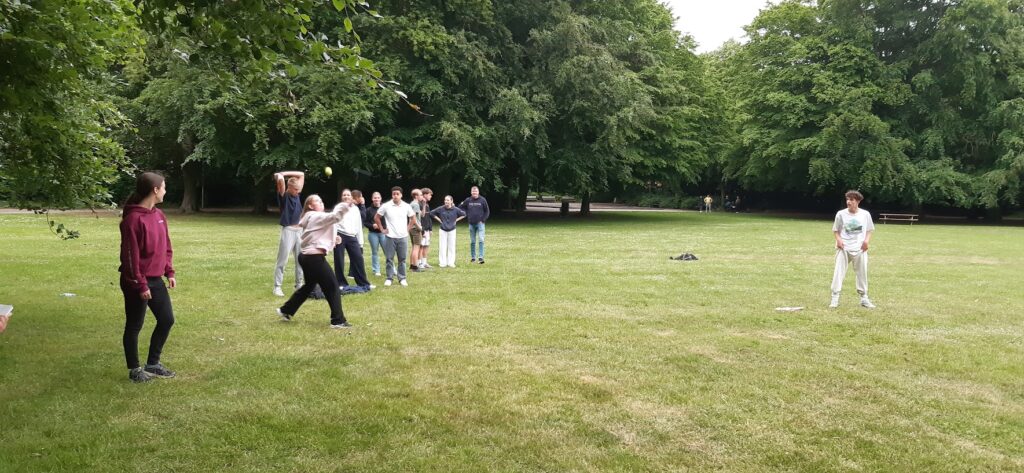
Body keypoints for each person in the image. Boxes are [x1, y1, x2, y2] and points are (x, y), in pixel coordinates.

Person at [119, 172, 177, 383]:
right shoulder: (132, 220)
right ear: (155, 190)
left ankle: (153, 364)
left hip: (155, 279)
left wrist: (169, 271)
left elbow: (165, 246)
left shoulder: (159, 215)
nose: (165, 191)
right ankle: (135, 370)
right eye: (164, 187)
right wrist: (141, 285)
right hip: (135, 281)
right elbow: (130, 257)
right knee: (135, 324)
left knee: (167, 319)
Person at [277, 195, 354, 328]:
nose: (321, 202)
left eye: (321, 200)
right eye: (318, 201)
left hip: (306, 257)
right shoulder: (315, 216)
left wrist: (334, 239)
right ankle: (338, 321)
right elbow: (335, 217)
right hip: (314, 258)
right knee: (332, 287)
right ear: (310, 206)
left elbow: (316, 233)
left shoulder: (310, 217)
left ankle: (286, 310)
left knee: (309, 286)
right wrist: (345, 205)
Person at [830, 190, 876, 309]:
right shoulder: (841, 214)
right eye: (847, 199)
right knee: (838, 272)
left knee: (862, 273)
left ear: (858, 201)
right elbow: (836, 230)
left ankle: (864, 298)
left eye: (851, 200)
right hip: (844, 248)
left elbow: (869, 230)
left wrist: (866, 241)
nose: (848, 202)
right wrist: (839, 240)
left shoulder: (865, 214)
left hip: (860, 249)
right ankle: (835, 298)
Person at [333, 189, 373, 294]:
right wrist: (334, 237)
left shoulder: (355, 209)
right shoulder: (338, 207)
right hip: (340, 235)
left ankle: (363, 283)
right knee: (339, 260)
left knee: (358, 259)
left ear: (351, 197)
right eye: (344, 195)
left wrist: (360, 242)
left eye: (348, 195)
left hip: (352, 236)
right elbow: (333, 222)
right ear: (342, 197)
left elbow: (359, 225)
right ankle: (341, 283)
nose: (346, 196)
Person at [374, 186, 416, 286]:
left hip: (403, 237)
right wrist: (382, 229)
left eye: (397, 194)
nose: (395, 196)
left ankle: (402, 278)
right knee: (389, 258)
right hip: (390, 236)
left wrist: (407, 229)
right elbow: (377, 217)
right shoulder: (386, 206)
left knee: (402, 259)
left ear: (401, 195)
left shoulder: (406, 206)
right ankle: (389, 278)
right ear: (392, 195)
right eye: (394, 194)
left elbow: (413, 218)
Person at [273, 171, 305, 296]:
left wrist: (284, 172)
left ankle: (299, 285)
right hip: (288, 230)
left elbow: (301, 174)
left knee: (301, 260)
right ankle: (277, 287)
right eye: (295, 189)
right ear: (289, 187)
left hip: (300, 231)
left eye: (298, 189)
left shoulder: (296, 194)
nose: (298, 191)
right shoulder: (284, 195)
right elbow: (280, 178)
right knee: (283, 259)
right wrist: (280, 174)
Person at [430, 195, 466, 268]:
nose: (446, 201)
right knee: (442, 246)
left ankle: (451, 263)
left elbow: (464, 214)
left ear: (451, 201)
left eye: (448, 200)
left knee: (451, 246)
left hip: (452, 230)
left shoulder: (455, 209)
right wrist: (439, 220)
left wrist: (456, 220)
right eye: (445, 200)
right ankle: (442, 263)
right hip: (442, 230)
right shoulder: (441, 208)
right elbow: (431, 213)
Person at [459, 186, 490, 264]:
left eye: (476, 191)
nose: (474, 193)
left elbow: (487, 211)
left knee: (481, 240)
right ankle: (473, 258)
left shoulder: (482, 200)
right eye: (473, 191)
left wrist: (483, 220)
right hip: (471, 224)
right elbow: (460, 208)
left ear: (478, 192)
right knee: (472, 241)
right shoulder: (468, 200)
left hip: (480, 224)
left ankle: (480, 257)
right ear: (471, 192)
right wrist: (465, 212)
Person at [364, 191, 385, 276]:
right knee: (375, 252)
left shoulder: (385, 208)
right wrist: (372, 225)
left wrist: (381, 226)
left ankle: (392, 269)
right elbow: (365, 222)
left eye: (378, 197)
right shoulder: (368, 210)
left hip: (383, 233)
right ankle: (376, 270)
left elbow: (389, 221)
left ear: (381, 198)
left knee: (388, 252)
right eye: (375, 198)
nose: (376, 199)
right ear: (372, 199)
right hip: (373, 234)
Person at [408, 188, 425, 271]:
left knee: (413, 246)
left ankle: (412, 265)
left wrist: (424, 204)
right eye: (421, 195)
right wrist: (419, 228)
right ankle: (415, 266)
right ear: (416, 196)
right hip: (415, 228)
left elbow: (421, 215)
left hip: (411, 228)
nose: (422, 196)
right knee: (416, 247)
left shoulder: (411, 204)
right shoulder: (415, 205)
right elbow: (413, 218)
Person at [419, 188, 434, 269]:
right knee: (421, 246)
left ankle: (424, 262)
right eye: (429, 195)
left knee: (426, 245)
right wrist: (422, 230)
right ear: (424, 195)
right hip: (422, 229)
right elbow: (421, 218)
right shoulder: (420, 204)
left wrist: (430, 229)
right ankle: (419, 263)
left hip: (427, 229)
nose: (431, 196)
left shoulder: (427, 204)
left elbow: (428, 218)